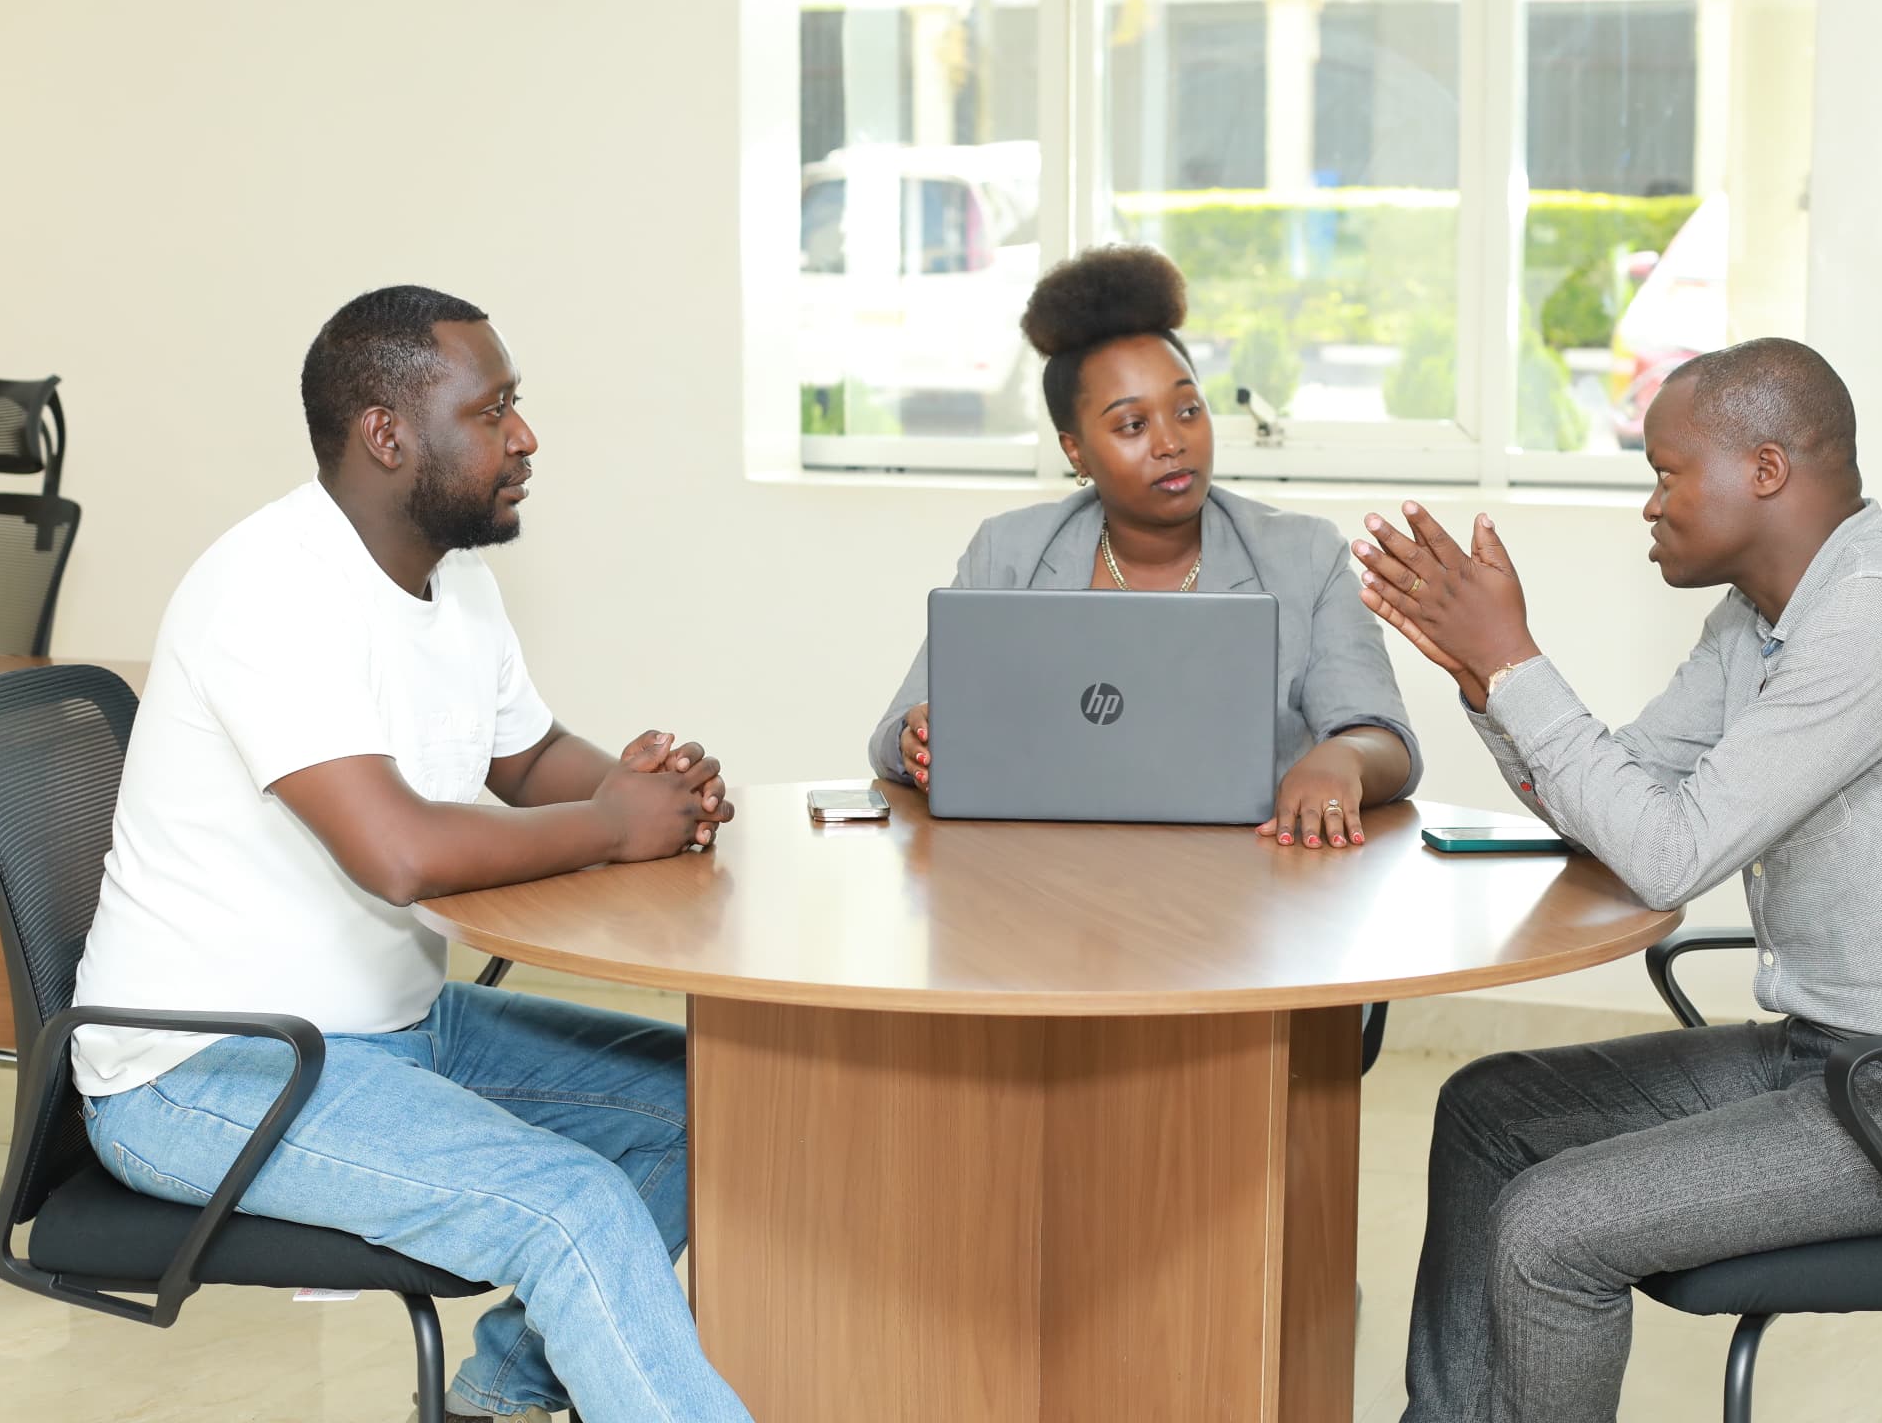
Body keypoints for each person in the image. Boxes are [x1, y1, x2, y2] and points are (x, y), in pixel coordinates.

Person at [1353, 338, 1882, 1422]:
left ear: (1766, 469)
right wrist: (1488, 680)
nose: (1649, 505)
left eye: (1665, 472)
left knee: (1552, 1229)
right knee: (1486, 1110)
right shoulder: (1760, 622)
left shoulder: (1877, 618)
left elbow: (1669, 855)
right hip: (1839, 1061)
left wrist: (1519, 665)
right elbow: (1628, 791)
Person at [69, 286, 752, 1423]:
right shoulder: (271, 586)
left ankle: (503, 1396)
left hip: (391, 1034)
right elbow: (397, 853)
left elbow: (530, 761)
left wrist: (649, 792)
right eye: (493, 412)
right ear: (387, 434)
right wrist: (615, 824)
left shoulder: (453, 576)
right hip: (203, 1071)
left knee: (718, 1100)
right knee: (568, 1204)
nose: (525, 437)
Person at [869, 243, 1423, 858]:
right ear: (1075, 451)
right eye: (1132, 425)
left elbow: (1387, 741)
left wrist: (1343, 756)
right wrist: (915, 738)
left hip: (1248, 886)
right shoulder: (1010, 549)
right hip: (1041, 878)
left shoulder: (1305, 554)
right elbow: (894, 735)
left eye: (1188, 410)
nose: (1171, 442)